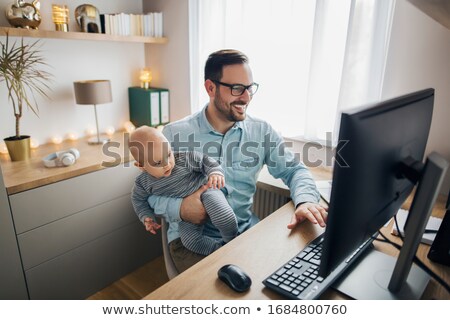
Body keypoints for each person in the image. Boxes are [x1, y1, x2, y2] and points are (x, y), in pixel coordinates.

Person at [147, 49, 328, 273]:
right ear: (210, 88)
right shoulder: (176, 134)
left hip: (245, 232)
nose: (246, 97)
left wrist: (306, 201)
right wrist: (181, 208)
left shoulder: (261, 131)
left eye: (250, 88)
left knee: (289, 276)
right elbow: (150, 193)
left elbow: (294, 170)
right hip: (192, 241)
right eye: (236, 89)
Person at [129, 126, 238, 256]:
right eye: (158, 163)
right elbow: (138, 200)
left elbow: (205, 161)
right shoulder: (143, 183)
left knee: (224, 217)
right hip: (186, 214)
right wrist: (146, 217)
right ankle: (218, 250)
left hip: (206, 191)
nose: (167, 164)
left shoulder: (184, 159)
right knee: (190, 241)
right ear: (141, 166)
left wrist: (214, 172)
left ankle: (232, 241)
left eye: (168, 155)